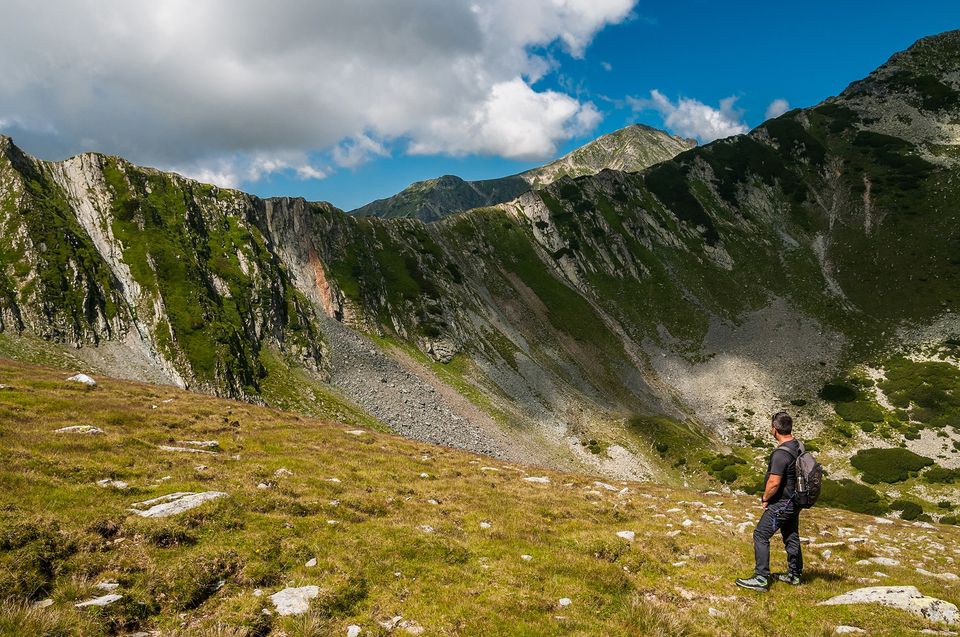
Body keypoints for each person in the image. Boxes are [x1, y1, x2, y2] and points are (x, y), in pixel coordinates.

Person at [735, 411, 803, 591]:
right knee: (791, 535)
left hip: (782, 503)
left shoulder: (781, 453)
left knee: (760, 534)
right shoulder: (797, 445)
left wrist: (765, 498)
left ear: (774, 429)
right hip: (794, 501)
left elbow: (774, 482)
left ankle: (761, 578)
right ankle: (794, 575)